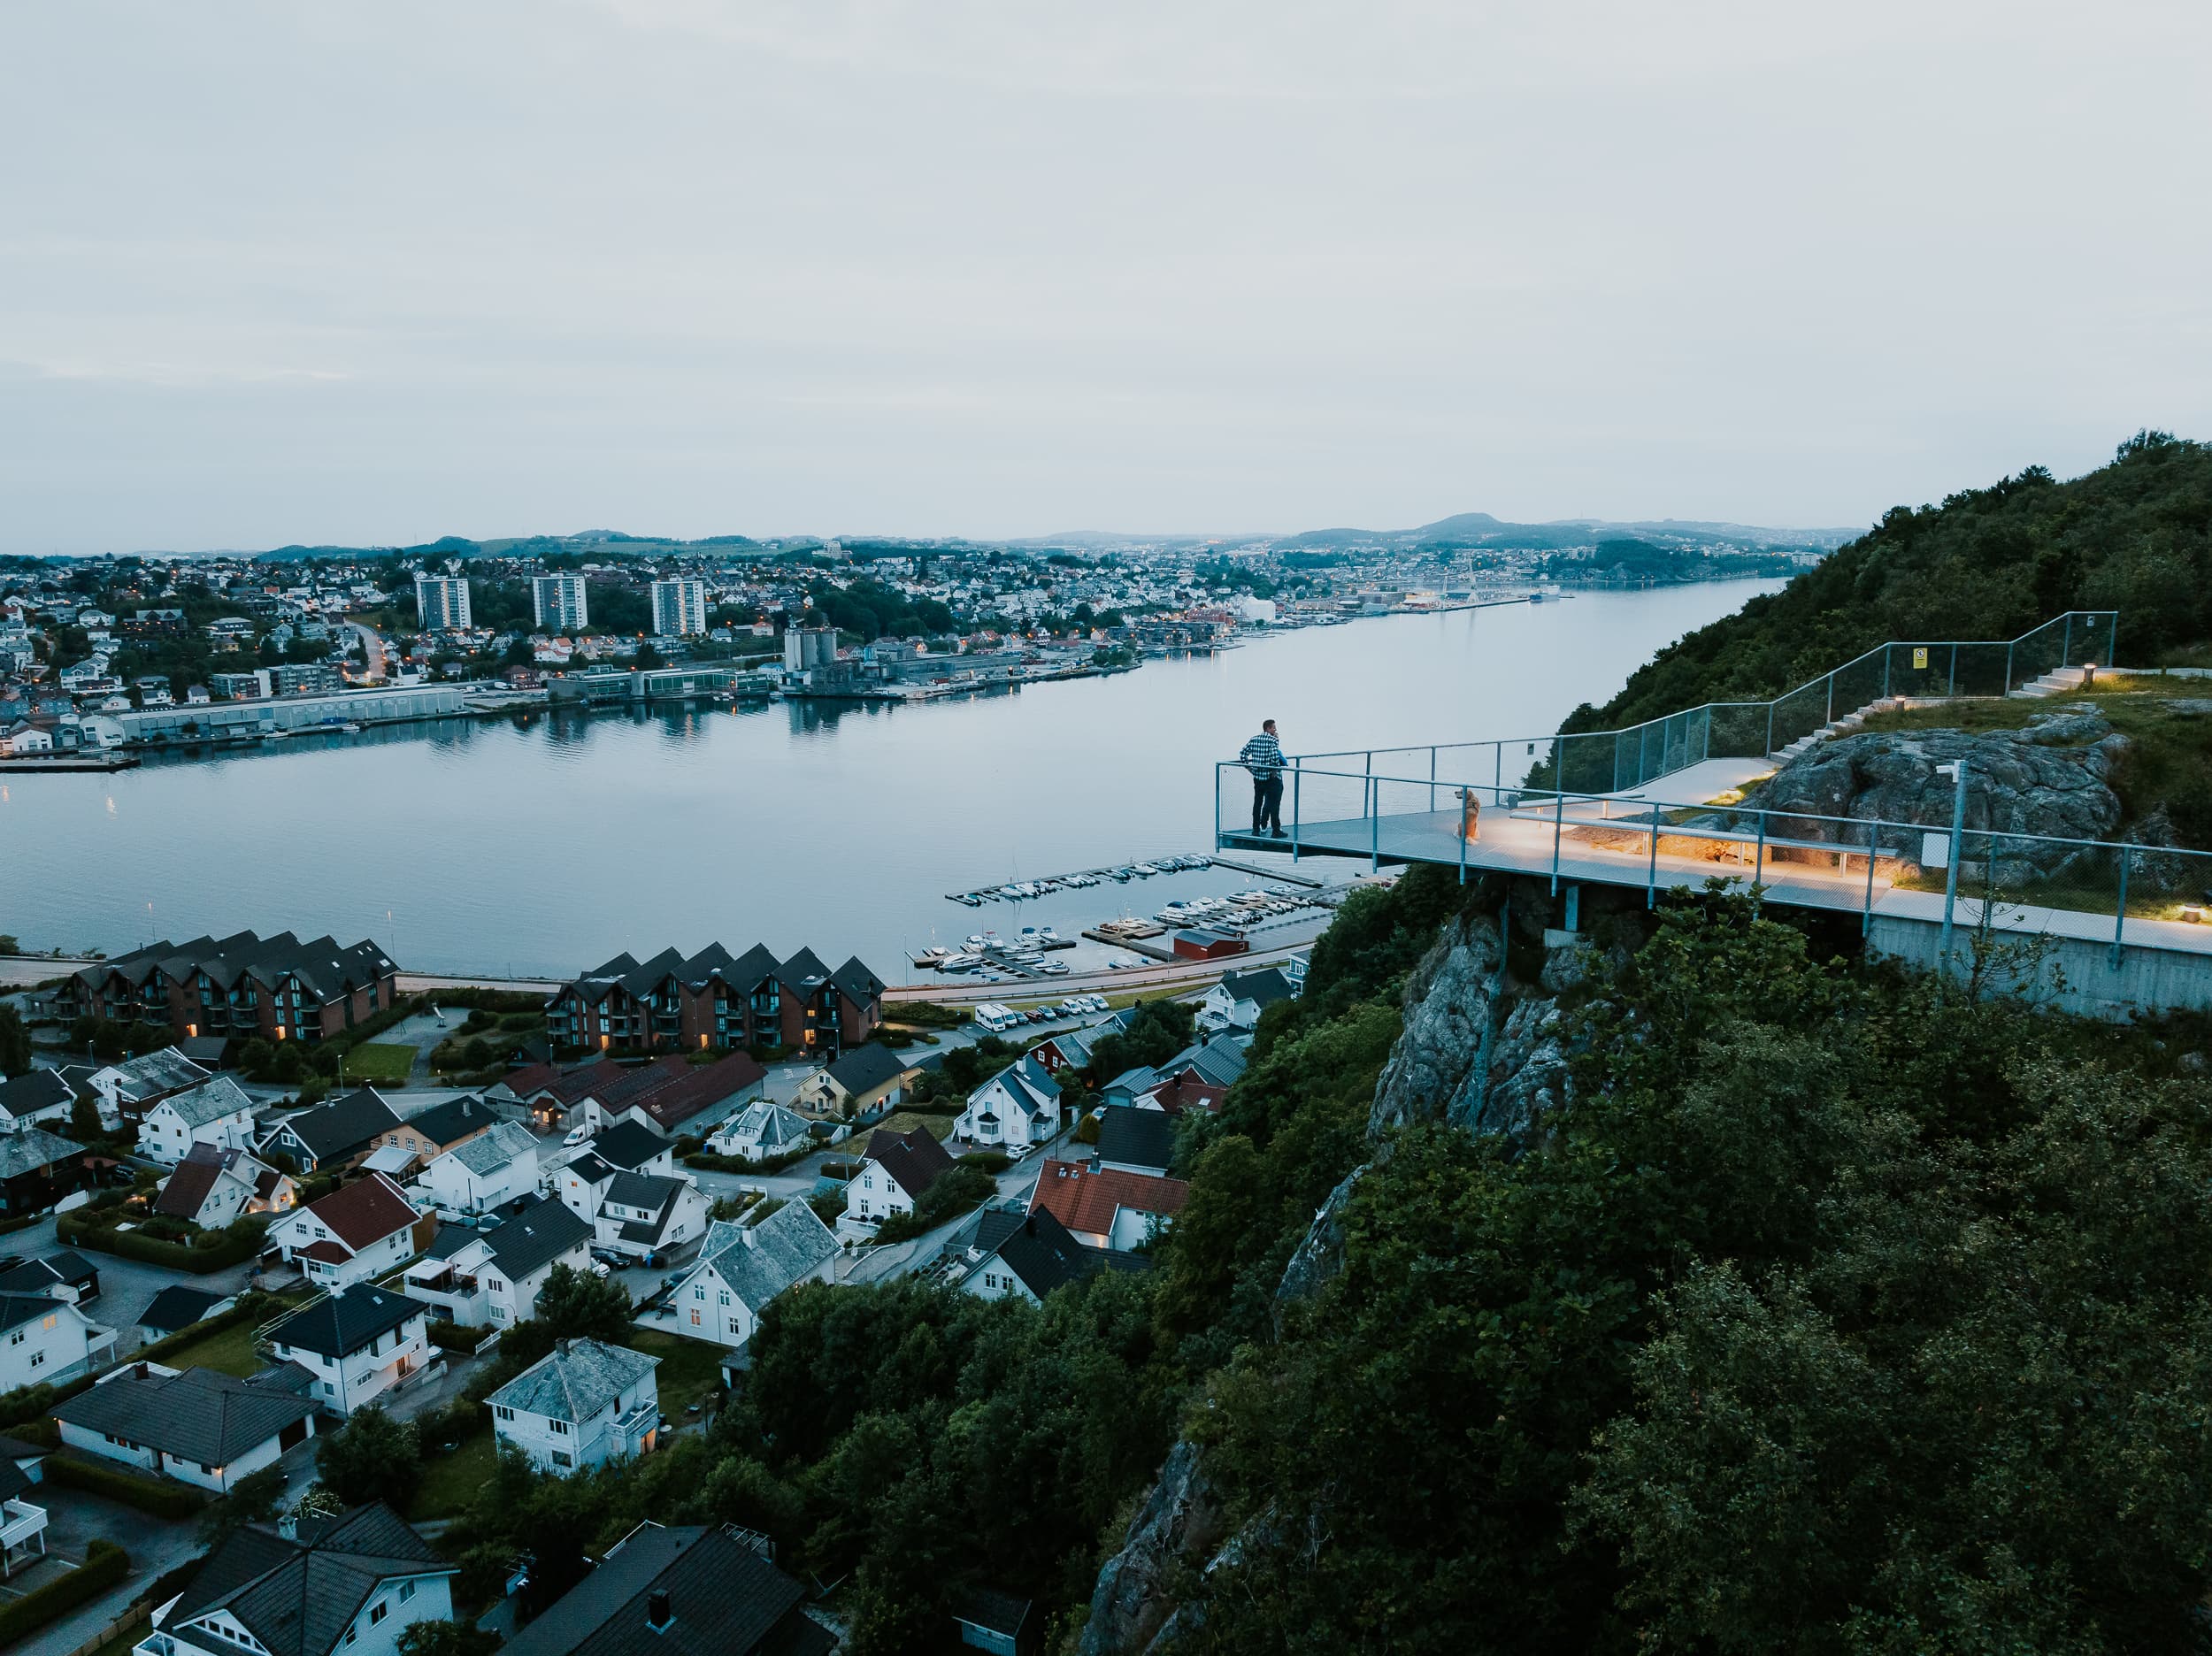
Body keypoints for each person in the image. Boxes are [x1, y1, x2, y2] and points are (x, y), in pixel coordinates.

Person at [1240, 718, 1286, 838]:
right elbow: (1274, 756)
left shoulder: (1254, 739)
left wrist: (1248, 768)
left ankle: (1256, 829)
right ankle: (1276, 830)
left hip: (1257, 777)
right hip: (1270, 778)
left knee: (1257, 803)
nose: (1275, 730)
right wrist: (1275, 769)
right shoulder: (1273, 740)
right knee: (1274, 804)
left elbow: (1243, 753)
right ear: (1268, 728)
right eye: (1274, 727)